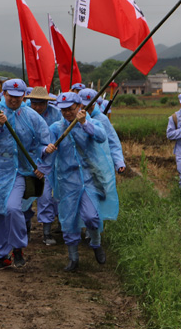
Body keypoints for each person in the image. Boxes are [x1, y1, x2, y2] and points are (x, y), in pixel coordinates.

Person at [41, 92, 118, 272]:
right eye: (64, 110)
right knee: (69, 219)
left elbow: (101, 137)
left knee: (92, 216)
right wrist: (47, 149)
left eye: (71, 109)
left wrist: (84, 124)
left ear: (79, 107)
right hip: (67, 180)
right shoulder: (55, 128)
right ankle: (73, 258)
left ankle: (96, 243)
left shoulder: (92, 123)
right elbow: (44, 149)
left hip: (89, 178)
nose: (67, 113)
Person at [0, 79, 52, 270]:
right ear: (4, 94)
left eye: (18, 97)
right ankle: (2, 255)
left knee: (12, 208)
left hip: (18, 171)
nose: (14, 100)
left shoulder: (31, 116)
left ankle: (18, 247)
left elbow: (43, 142)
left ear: (23, 96)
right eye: (11, 96)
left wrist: (43, 159)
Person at [25, 86, 62, 246]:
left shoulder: (56, 115)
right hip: (26, 161)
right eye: (34, 103)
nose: (38, 107)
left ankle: (47, 233)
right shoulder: (23, 113)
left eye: (41, 104)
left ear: (47, 102)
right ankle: (24, 230)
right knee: (24, 197)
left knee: (47, 197)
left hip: (50, 163)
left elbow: (57, 140)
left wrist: (44, 166)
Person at [79, 88, 126, 173]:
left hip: (99, 165)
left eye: (90, 105)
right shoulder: (72, 119)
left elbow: (112, 141)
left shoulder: (102, 119)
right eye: (84, 105)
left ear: (95, 104)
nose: (87, 108)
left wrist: (118, 161)